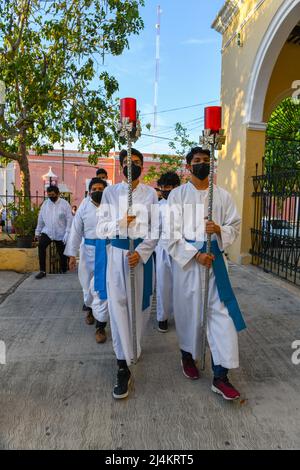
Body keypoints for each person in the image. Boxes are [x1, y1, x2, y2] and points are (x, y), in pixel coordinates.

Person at [166, 146, 246, 401]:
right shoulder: (177, 196)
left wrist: (219, 229)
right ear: (188, 166)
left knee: (223, 318)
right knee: (190, 314)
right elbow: (170, 234)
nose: (201, 164)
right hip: (189, 266)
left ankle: (221, 376)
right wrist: (195, 254)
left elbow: (235, 224)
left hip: (215, 267)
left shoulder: (222, 196)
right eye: (197, 160)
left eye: (205, 160)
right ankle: (187, 355)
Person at [97, 148, 159, 400]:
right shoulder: (110, 193)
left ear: (142, 166)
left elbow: (156, 229)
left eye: (135, 162)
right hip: (117, 256)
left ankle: (133, 347)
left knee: (140, 308)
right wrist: (122, 221)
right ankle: (122, 364)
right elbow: (102, 228)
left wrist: (142, 252)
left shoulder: (150, 194)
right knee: (118, 307)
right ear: (120, 166)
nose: (130, 166)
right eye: (125, 162)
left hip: (139, 258)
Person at [64, 177, 109, 342]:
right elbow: (76, 231)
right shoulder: (84, 205)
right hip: (87, 252)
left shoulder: (112, 206)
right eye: (94, 188)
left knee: (102, 288)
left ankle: (101, 326)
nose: (97, 191)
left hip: (107, 252)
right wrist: (71, 255)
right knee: (87, 285)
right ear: (89, 191)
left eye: (101, 188)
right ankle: (90, 309)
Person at [155, 172, 180, 333]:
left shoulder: (184, 205)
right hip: (162, 249)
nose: (164, 190)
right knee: (163, 285)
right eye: (162, 187)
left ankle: (182, 316)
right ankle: (162, 317)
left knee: (182, 286)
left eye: (168, 187)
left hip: (181, 249)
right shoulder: (157, 206)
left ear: (176, 188)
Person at [35, 185, 73, 279]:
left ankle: (64, 270)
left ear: (58, 194)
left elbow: (69, 218)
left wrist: (68, 232)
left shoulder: (64, 204)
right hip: (48, 231)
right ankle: (42, 271)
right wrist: (37, 231)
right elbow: (41, 218)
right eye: (49, 195)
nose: (51, 197)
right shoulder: (45, 204)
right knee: (41, 246)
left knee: (62, 253)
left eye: (53, 195)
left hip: (61, 233)